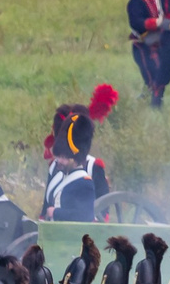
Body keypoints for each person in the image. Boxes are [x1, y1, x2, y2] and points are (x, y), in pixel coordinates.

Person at [43, 92, 117, 224]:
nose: (59, 159)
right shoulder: (54, 167)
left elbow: (102, 209)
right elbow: (47, 205)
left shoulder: (94, 166)